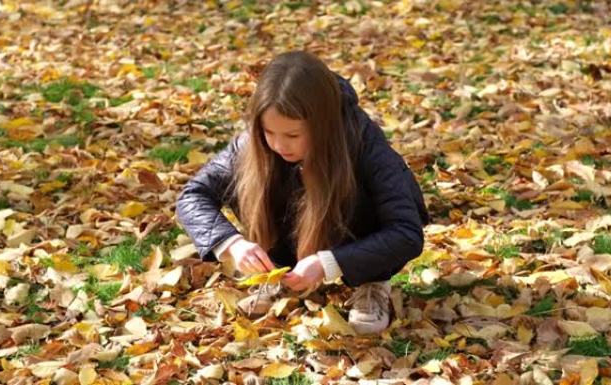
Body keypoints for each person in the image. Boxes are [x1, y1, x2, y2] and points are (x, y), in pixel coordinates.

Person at [175, 50, 430, 335]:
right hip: (290, 240)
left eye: (293, 135)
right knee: (251, 174)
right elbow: (193, 196)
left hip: (352, 234)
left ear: (323, 125)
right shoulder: (253, 143)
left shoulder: (362, 139)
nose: (279, 145)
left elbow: (406, 233)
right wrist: (231, 243)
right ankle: (278, 274)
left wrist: (329, 263)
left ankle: (372, 283)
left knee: (361, 192)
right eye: (268, 132)